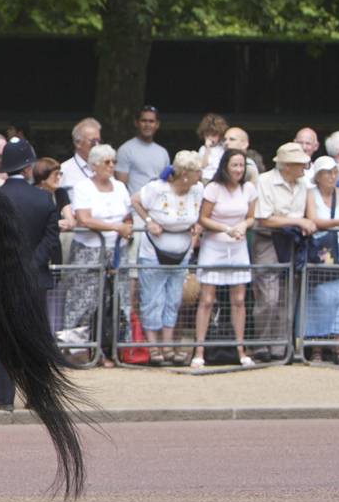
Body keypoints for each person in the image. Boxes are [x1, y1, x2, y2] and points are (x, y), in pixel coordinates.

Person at [0, 138, 58, 410]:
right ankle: (37, 395)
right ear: (28, 167)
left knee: (5, 336)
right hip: (35, 277)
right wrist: (32, 263)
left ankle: (5, 398)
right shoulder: (43, 198)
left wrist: (9, 260)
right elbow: (51, 236)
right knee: (36, 336)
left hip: (5, 275)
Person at [132, 150, 203, 366]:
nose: (199, 176)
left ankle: (168, 345)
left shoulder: (198, 190)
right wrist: (149, 221)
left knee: (173, 299)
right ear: (185, 174)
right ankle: (154, 347)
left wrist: (196, 225)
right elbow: (135, 200)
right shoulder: (157, 188)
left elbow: (198, 213)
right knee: (153, 299)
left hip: (181, 252)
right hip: (154, 253)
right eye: (196, 172)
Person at [65, 143, 130, 366]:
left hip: (117, 250)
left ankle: (110, 348)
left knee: (115, 300)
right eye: (106, 162)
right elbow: (84, 218)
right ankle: (77, 349)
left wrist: (126, 229)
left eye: (113, 162)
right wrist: (115, 228)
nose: (111, 166)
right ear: (94, 165)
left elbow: (128, 216)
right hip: (89, 251)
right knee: (83, 301)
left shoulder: (120, 187)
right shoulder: (83, 187)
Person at [251, 143, 316, 360]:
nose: (303, 169)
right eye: (300, 164)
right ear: (286, 166)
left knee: (288, 297)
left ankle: (281, 347)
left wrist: (301, 223)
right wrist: (298, 220)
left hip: (292, 242)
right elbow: (264, 218)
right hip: (268, 240)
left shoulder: (303, 184)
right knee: (269, 297)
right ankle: (262, 344)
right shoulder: (265, 181)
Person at [193, 147, 257, 368]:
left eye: (241, 165)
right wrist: (225, 228)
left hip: (238, 247)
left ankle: (240, 350)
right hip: (214, 246)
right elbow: (203, 218)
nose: (238, 169)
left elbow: (251, 218)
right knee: (207, 300)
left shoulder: (248, 188)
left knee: (239, 300)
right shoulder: (213, 188)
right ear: (225, 167)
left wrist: (241, 226)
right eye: (234, 165)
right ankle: (199, 350)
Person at [304, 155, 339, 365]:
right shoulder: (311, 193)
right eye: (327, 172)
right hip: (320, 251)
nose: (332, 176)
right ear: (318, 176)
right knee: (318, 299)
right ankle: (317, 347)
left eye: (334, 172)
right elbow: (313, 219)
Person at [115, 106, 170, 194]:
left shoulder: (163, 152)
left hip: (158, 205)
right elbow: (120, 187)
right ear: (136, 123)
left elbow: (167, 183)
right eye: (144, 121)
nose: (147, 125)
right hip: (133, 206)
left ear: (157, 125)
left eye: (151, 121)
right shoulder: (125, 150)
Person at [196, 112, 229, 181]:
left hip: (220, 178)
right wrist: (207, 149)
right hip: (206, 178)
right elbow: (203, 165)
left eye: (213, 135)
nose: (210, 138)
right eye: (207, 135)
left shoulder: (223, 147)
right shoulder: (202, 149)